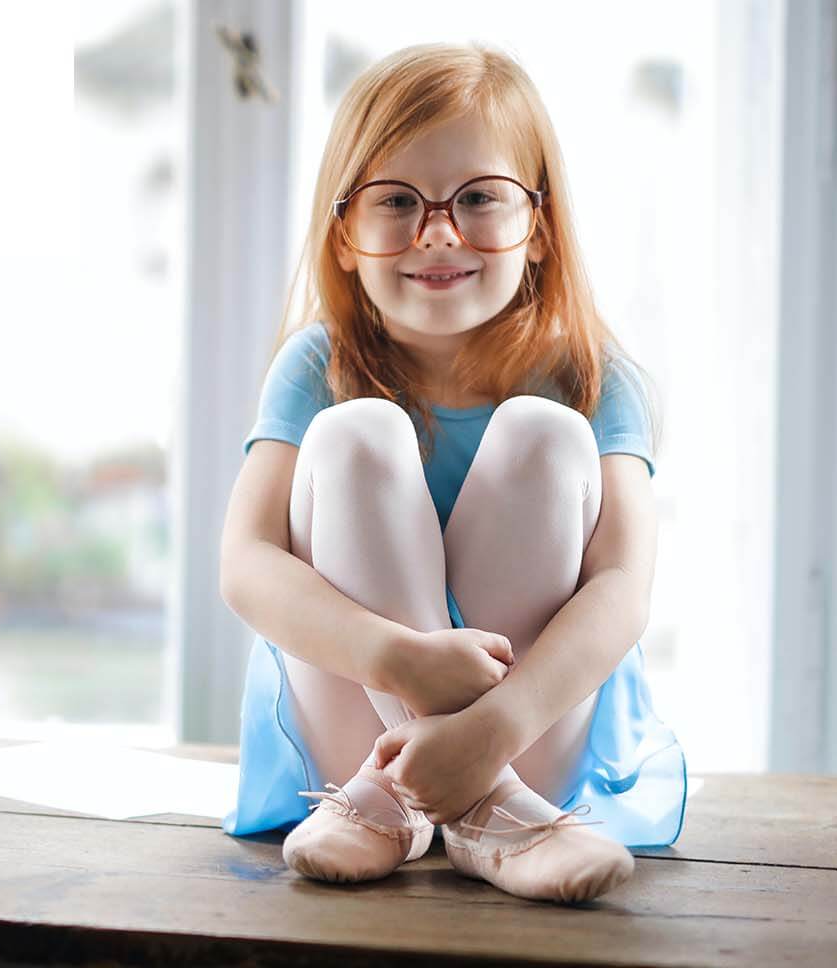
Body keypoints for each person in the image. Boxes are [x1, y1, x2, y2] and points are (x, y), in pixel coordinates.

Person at [217, 42, 686, 905]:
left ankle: (476, 788)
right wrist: (397, 658)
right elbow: (246, 565)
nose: (438, 231)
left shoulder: (592, 375)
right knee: (355, 435)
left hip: (530, 725)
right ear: (346, 237)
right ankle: (492, 816)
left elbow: (622, 588)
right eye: (396, 202)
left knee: (544, 435)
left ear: (538, 229)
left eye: (479, 198)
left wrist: (497, 725)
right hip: (354, 730)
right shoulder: (315, 364)